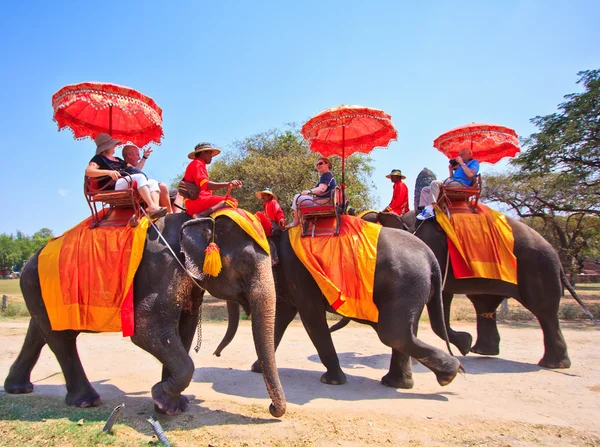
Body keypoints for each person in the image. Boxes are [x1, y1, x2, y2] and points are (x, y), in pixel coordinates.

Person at [85, 133, 167, 218]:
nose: (115, 146)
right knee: (140, 177)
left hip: (124, 181)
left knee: (153, 182)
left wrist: (144, 157)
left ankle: (154, 208)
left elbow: (137, 170)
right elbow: (89, 171)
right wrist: (109, 172)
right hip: (112, 185)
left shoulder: (118, 159)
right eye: (114, 145)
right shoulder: (99, 158)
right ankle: (151, 205)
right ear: (107, 146)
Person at [417, 147, 480, 220]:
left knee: (435, 183)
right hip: (453, 182)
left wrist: (462, 163)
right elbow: (451, 178)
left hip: (462, 184)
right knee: (425, 189)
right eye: (459, 155)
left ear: (469, 155)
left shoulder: (474, 162)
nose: (459, 156)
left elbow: (470, 174)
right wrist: (450, 169)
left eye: (462, 155)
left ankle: (431, 209)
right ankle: (424, 208)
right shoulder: (460, 165)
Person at [183, 142, 242, 218]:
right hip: (198, 203)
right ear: (204, 153)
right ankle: (201, 215)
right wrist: (228, 184)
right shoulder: (197, 163)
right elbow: (206, 185)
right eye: (210, 154)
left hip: (194, 204)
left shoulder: (197, 164)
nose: (211, 157)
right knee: (232, 201)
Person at [286, 157, 336, 228]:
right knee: (301, 200)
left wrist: (309, 191)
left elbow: (322, 189)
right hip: (324, 201)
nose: (318, 165)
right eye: (317, 164)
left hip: (322, 202)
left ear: (327, 165)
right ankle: (303, 222)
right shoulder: (329, 176)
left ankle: (296, 221)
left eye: (320, 163)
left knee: (297, 197)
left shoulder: (326, 175)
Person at [122, 144, 173, 214]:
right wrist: (144, 157)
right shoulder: (124, 166)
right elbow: (136, 171)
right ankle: (162, 212)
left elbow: (136, 169)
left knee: (163, 186)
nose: (139, 158)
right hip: (134, 191)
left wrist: (144, 157)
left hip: (143, 188)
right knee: (162, 187)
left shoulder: (131, 168)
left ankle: (168, 213)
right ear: (129, 155)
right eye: (137, 155)